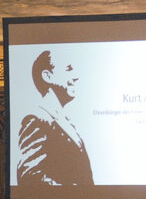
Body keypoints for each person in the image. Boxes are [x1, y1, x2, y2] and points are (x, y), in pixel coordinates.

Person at [17, 50, 93, 186]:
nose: (76, 77)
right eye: (68, 69)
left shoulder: (66, 122)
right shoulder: (36, 119)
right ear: (47, 76)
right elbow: (29, 176)